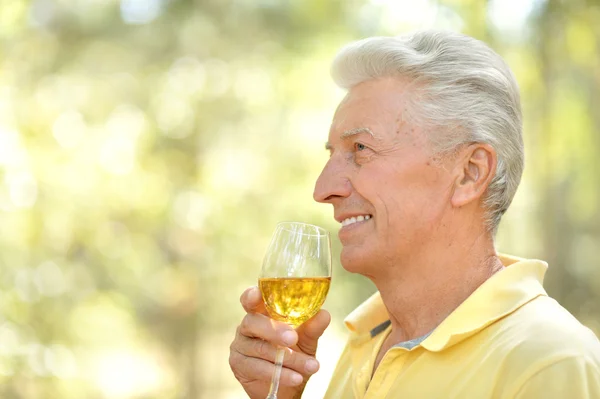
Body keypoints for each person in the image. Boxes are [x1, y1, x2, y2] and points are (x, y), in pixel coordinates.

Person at [228, 30, 600, 398]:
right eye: (332, 154)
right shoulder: (366, 343)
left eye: (360, 148)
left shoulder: (548, 363)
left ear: (469, 173)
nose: (323, 189)